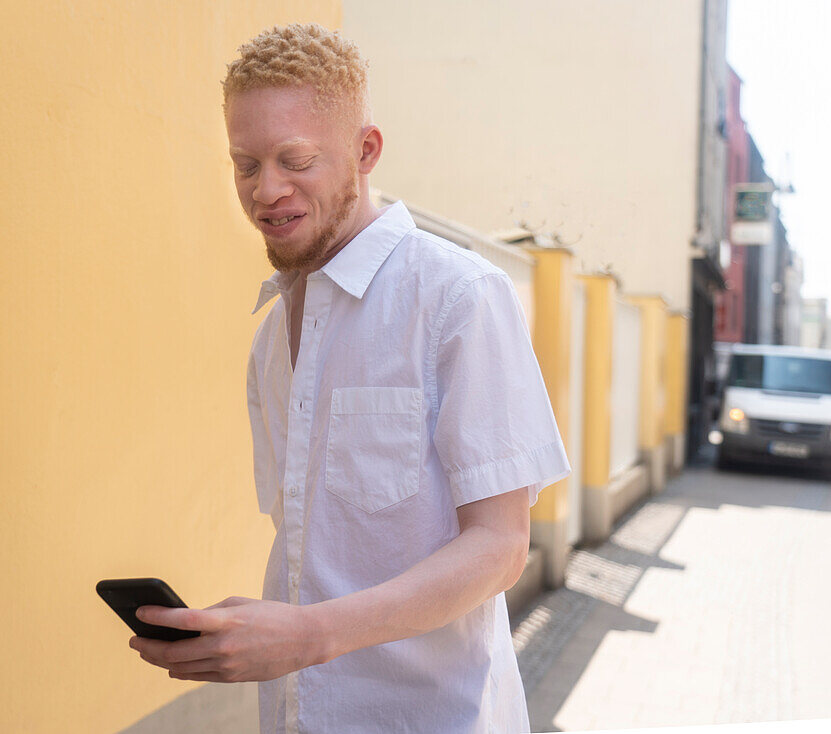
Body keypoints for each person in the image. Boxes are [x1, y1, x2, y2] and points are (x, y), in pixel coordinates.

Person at [129, 23, 570, 733]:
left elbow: (500, 546)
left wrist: (308, 635)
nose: (266, 191)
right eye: (246, 164)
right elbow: (313, 545)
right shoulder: (272, 338)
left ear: (365, 152)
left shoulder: (457, 298)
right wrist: (260, 630)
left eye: (294, 159)